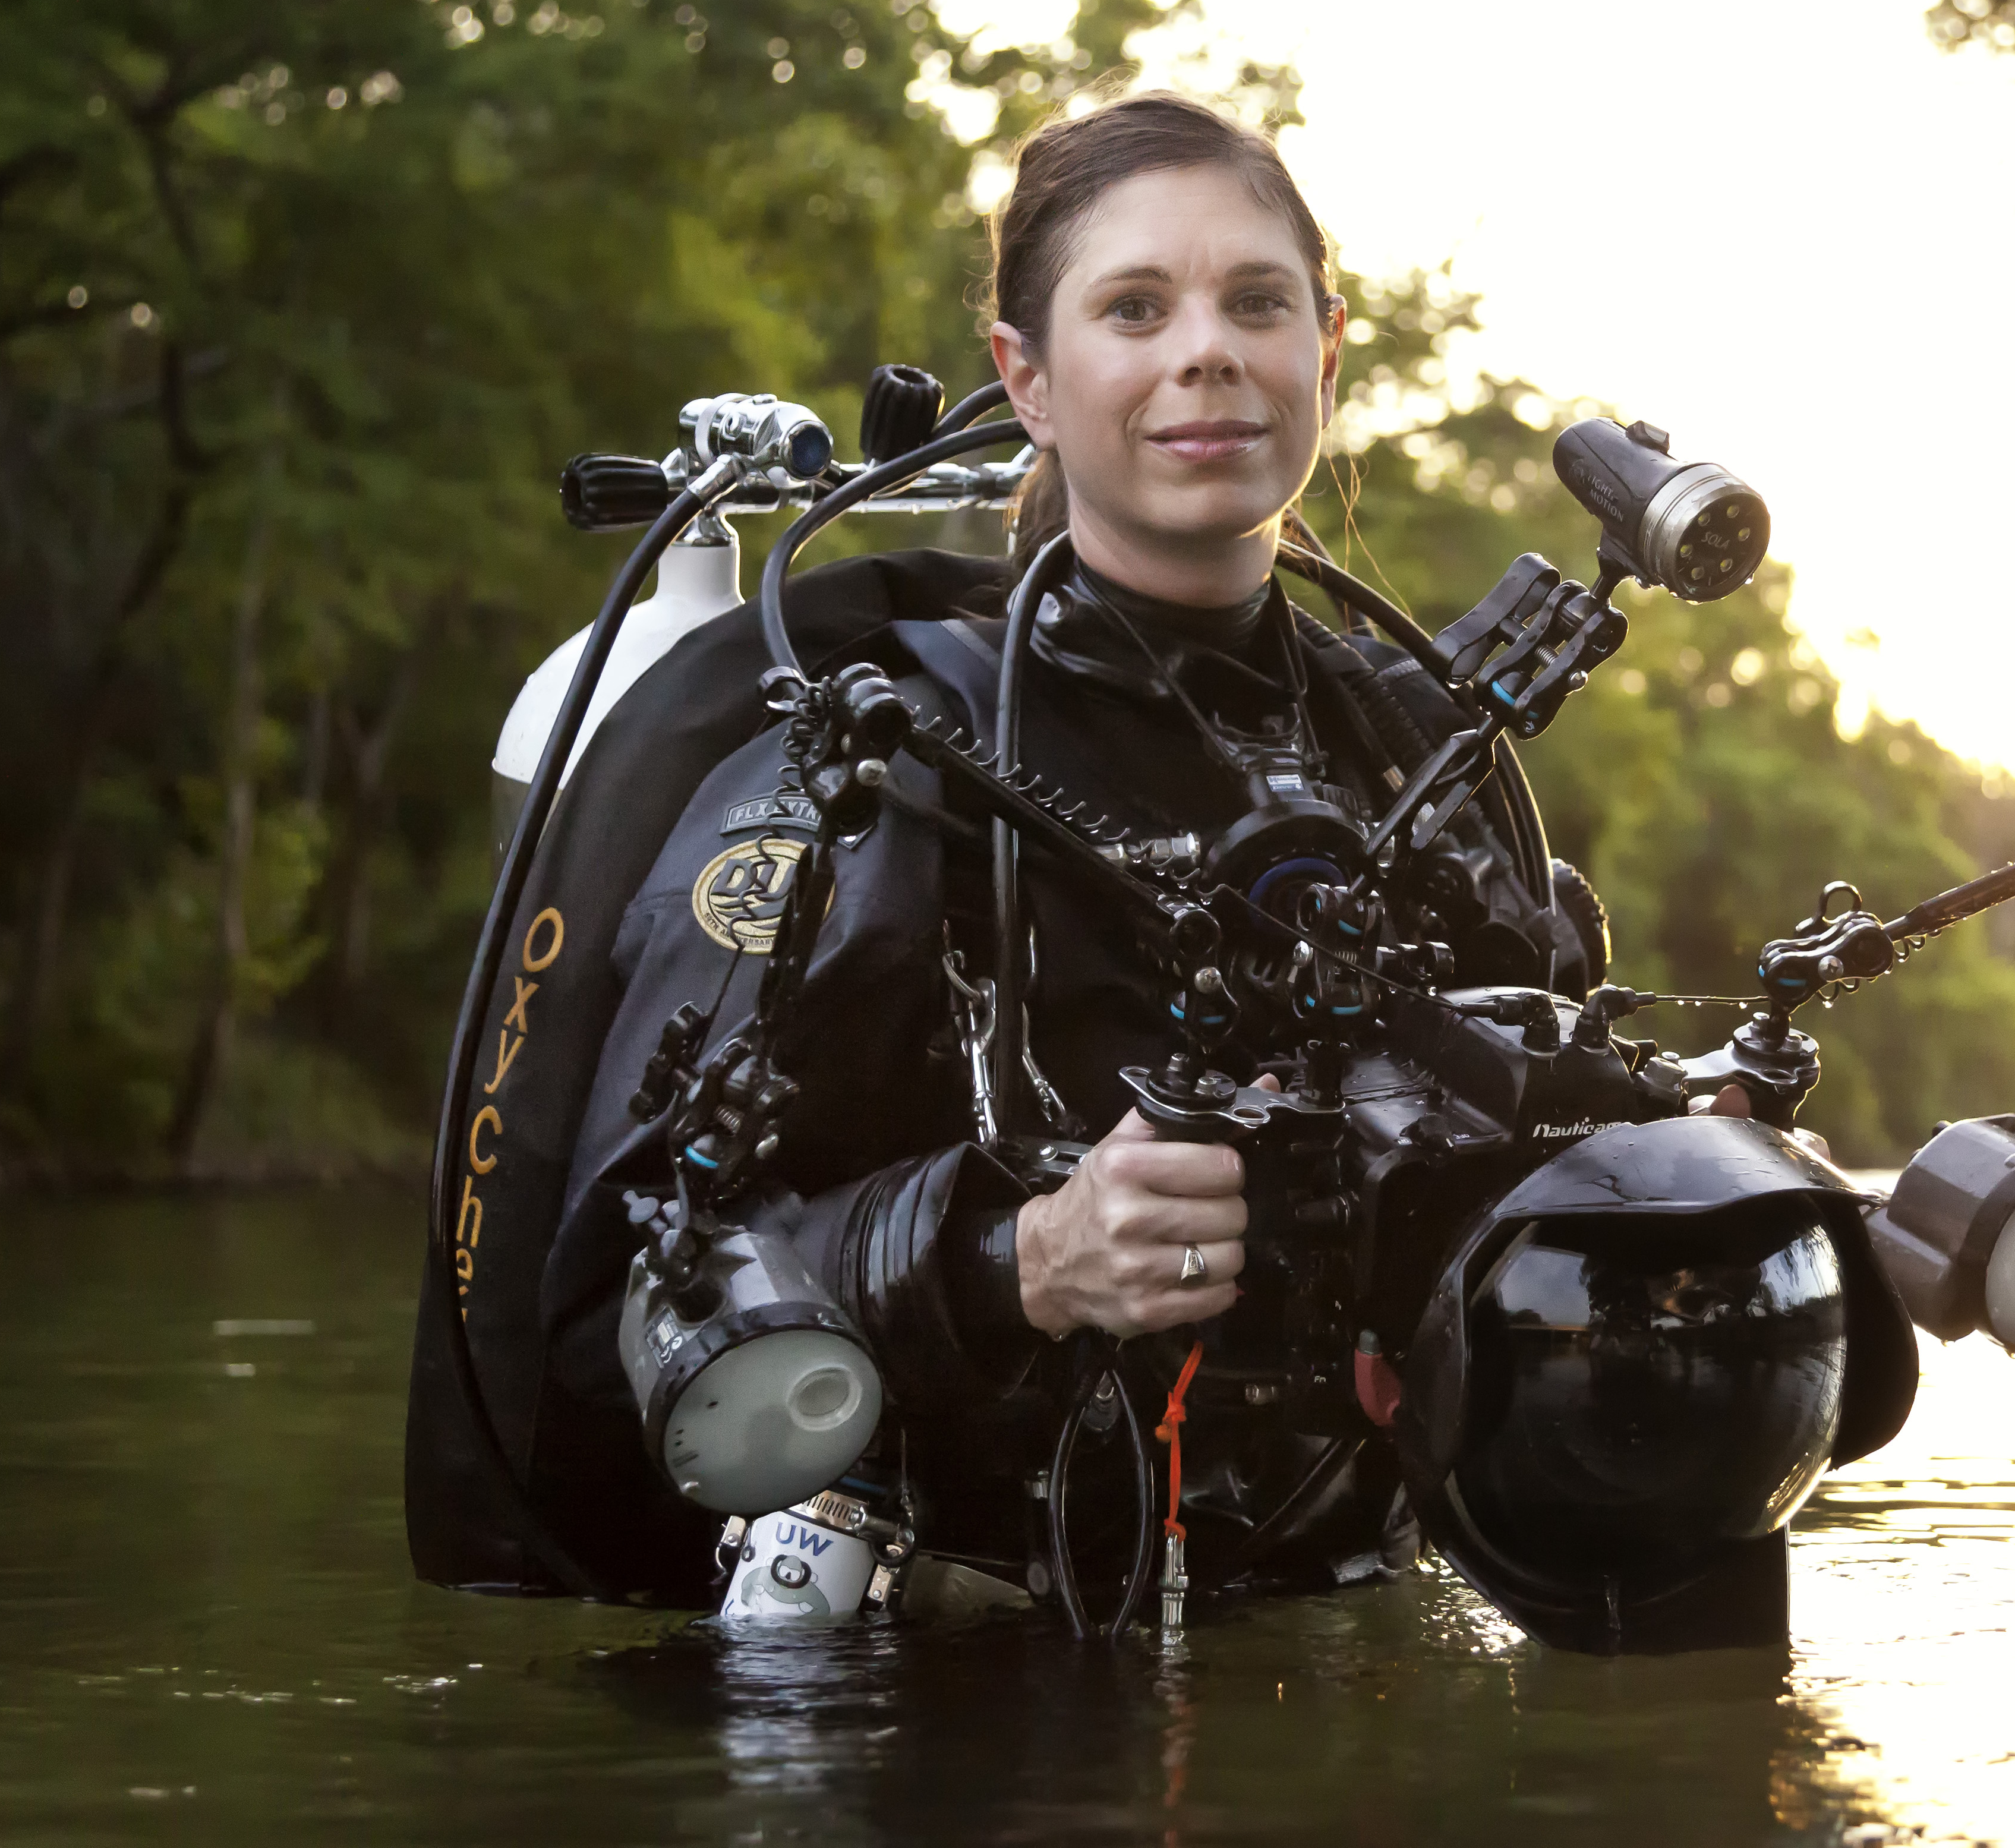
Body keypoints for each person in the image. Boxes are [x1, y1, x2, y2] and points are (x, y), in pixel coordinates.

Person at [492, 93, 1604, 1607]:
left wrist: (1673, 1165)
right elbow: (619, 1291)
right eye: (1134, 307)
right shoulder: (884, 756)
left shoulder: (1416, 748)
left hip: (1354, 1613)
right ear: (1027, 376)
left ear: (1326, 350)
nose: (1204, 349)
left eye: (1254, 303)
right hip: (954, 1662)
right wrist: (1023, 1254)